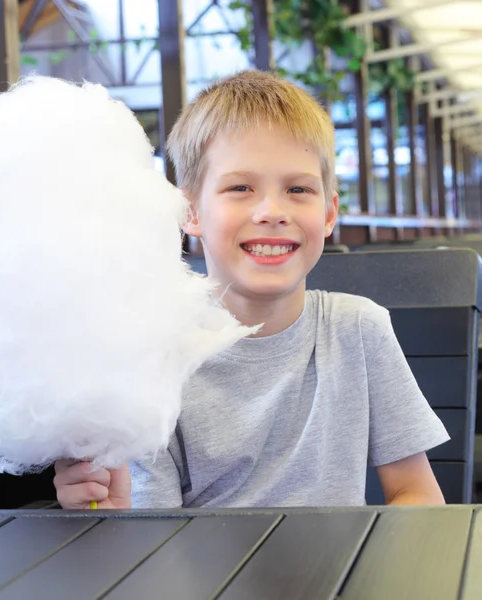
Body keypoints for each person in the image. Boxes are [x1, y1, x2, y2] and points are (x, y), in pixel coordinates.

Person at [54, 70, 449, 509]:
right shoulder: (153, 357)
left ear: (329, 213)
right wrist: (109, 516)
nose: (271, 211)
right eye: (240, 187)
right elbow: (150, 543)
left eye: (298, 189)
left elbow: (417, 493)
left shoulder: (358, 331)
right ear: (189, 211)